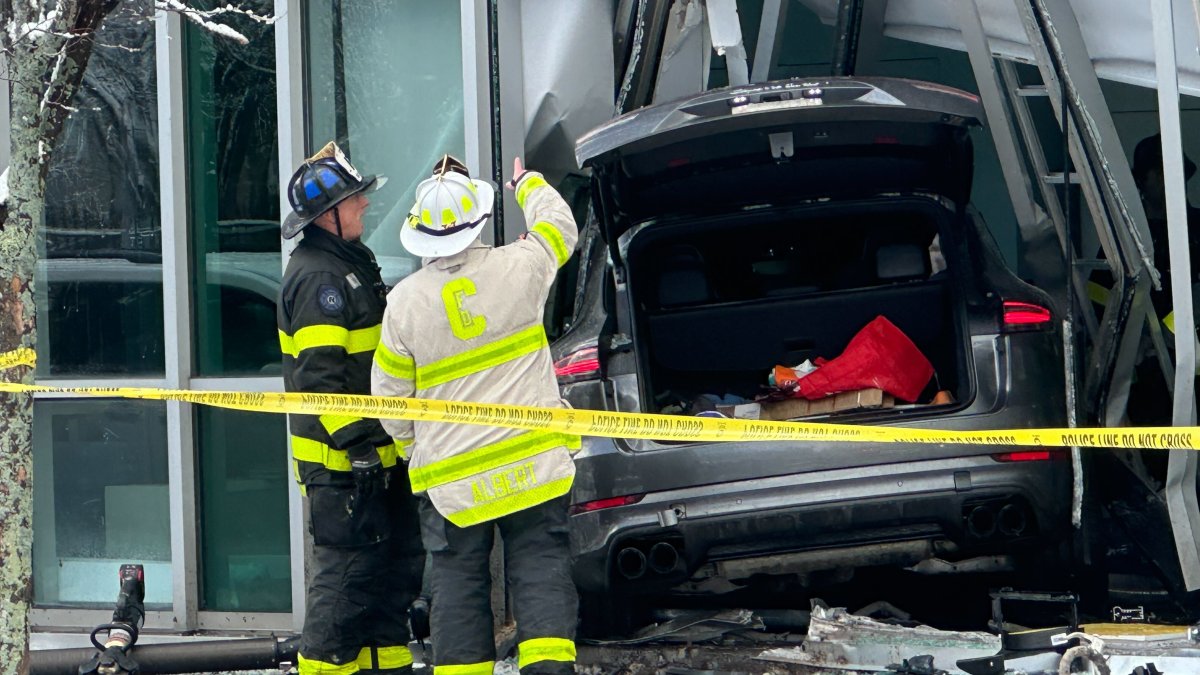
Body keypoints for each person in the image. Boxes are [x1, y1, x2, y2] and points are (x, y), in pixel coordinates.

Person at [371, 155, 580, 675]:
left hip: (453, 480)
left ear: (421, 235)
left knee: (458, 579)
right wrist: (526, 182)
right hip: (532, 464)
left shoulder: (403, 304)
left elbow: (389, 398)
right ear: (479, 221)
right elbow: (560, 227)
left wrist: (413, 449)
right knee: (538, 565)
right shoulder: (521, 267)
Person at [278, 141, 424, 674]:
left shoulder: (344, 262)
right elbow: (321, 380)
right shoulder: (321, 278)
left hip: (375, 462)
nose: (364, 205)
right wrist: (359, 447)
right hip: (343, 469)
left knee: (389, 583)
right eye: (355, 200)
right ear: (328, 216)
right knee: (345, 588)